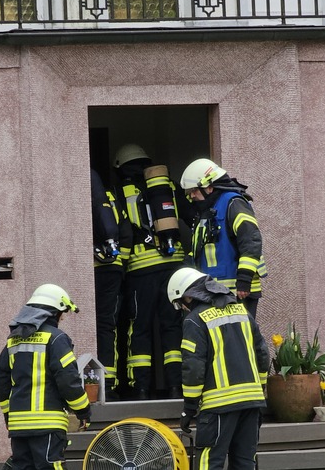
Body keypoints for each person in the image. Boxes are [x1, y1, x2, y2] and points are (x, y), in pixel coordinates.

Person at [167, 267, 269, 470]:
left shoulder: (196, 320)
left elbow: (193, 367)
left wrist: (189, 407)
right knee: (245, 462)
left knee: (209, 463)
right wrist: (260, 389)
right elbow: (263, 354)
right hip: (252, 402)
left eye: (180, 304)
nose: (182, 310)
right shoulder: (241, 311)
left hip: (218, 405)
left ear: (187, 297)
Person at [0, 284, 91, 470]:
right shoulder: (56, 339)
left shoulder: (13, 340)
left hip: (19, 426)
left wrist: (7, 414)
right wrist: (83, 410)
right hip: (47, 425)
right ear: (54, 312)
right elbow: (68, 379)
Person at [113, 144, 188, 400]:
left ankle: (141, 389)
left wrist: (120, 268)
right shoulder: (167, 186)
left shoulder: (120, 191)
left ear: (120, 166)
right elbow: (189, 216)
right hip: (173, 268)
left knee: (140, 329)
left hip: (140, 270)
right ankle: (176, 386)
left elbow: (120, 229)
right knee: (173, 327)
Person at [179, 158, 266, 319]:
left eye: (194, 190)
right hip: (215, 292)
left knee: (240, 341)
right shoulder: (206, 211)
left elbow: (251, 241)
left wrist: (244, 280)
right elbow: (198, 251)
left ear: (209, 187)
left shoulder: (234, 203)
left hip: (239, 292)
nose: (191, 196)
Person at [91, 167, 132, 401]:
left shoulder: (85, 198)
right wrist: (121, 264)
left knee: (94, 324)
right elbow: (125, 232)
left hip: (94, 270)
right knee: (108, 326)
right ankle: (110, 383)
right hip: (113, 269)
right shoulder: (112, 200)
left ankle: (98, 385)